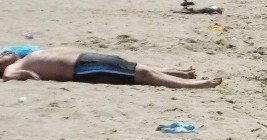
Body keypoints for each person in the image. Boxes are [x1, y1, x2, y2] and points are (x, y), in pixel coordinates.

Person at [0, 47, 221, 88]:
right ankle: (196, 84)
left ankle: (176, 72)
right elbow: (13, 77)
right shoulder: (12, 68)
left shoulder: (23, 55)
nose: (4, 54)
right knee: (141, 74)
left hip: (85, 59)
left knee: (131, 66)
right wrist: (29, 73)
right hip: (81, 69)